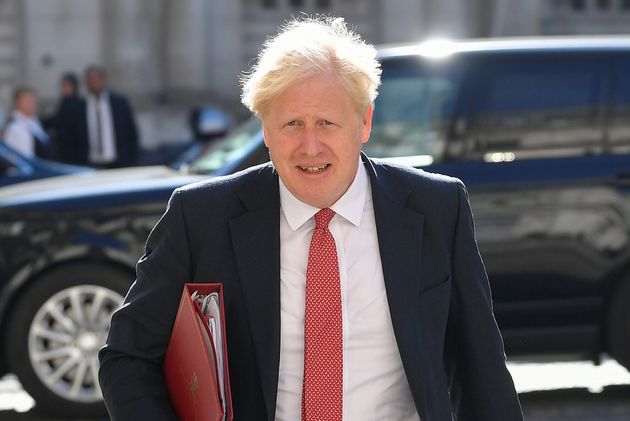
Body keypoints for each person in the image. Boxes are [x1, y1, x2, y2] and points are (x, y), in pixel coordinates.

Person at [99, 16, 523, 420]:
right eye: (291, 124)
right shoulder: (201, 217)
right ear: (265, 130)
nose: (311, 146)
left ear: (364, 122)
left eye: (327, 123)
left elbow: (480, 368)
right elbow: (127, 358)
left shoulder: (436, 208)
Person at [58, 65, 139, 167]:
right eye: (90, 79)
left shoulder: (119, 104)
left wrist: (132, 161)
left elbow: (131, 134)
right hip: (89, 165)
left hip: (118, 163)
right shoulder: (77, 108)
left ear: (104, 80)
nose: (94, 82)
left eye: (97, 78)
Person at [3, 87, 50, 158]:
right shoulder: (14, 128)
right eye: (27, 101)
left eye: (32, 101)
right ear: (17, 103)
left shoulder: (35, 123)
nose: (31, 104)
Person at [46, 72, 82, 161]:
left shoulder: (79, 104)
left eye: (67, 85)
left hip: (74, 150)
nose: (64, 88)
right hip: (63, 149)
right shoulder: (63, 102)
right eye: (63, 85)